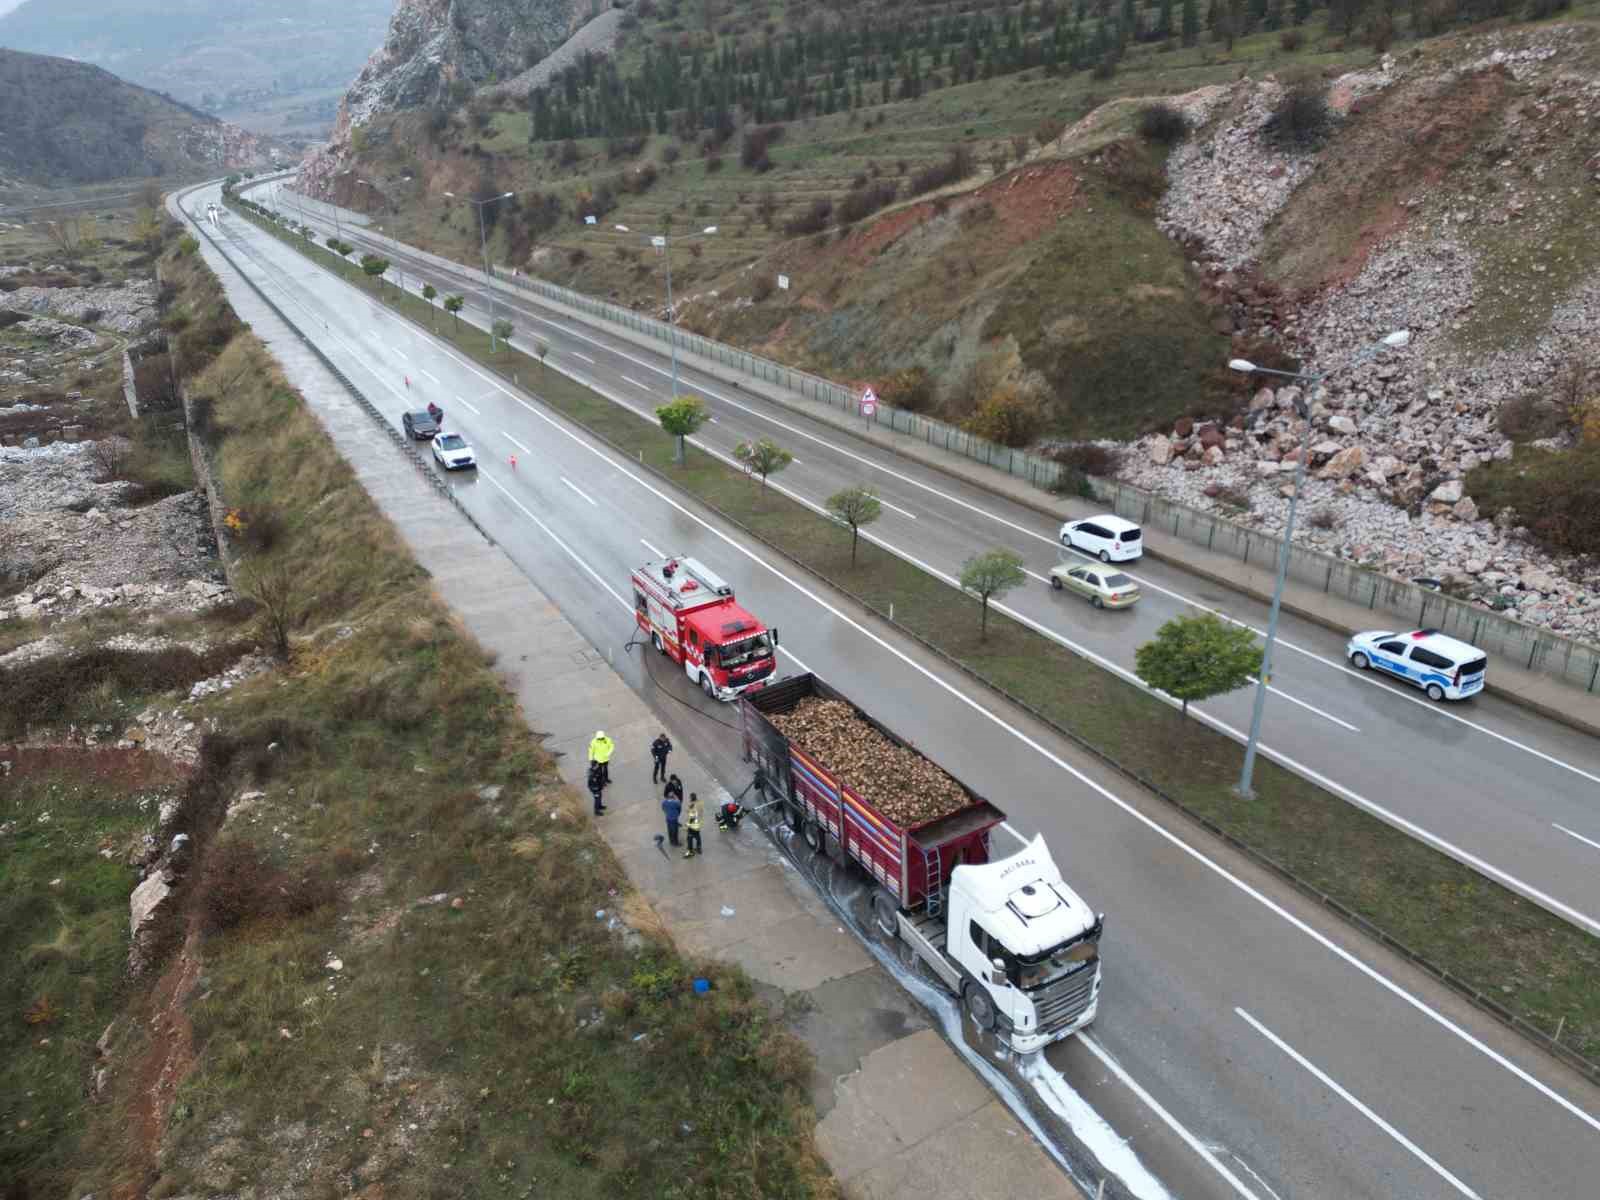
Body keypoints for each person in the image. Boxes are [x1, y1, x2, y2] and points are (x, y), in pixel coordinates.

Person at [661, 779, 683, 848]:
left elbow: (663, 808)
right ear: (673, 797)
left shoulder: (664, 802)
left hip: (668, 818)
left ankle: (671, 841)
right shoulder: (675, 802)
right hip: (674, 818)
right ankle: (675, 842)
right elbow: (679, 806)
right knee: (675, 830)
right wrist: (676, 798)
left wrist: (667, 812)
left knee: (669, 829)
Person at [683, 793, 703, 858]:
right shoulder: (699, 803)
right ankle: (699, 848)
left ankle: (690, 851)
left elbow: (689, 813)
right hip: (698, 824)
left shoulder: (691, 805)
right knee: (697, 836)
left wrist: (687, 825)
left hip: (692, 824)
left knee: (689, 838)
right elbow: (700, 812)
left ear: (691, 798)